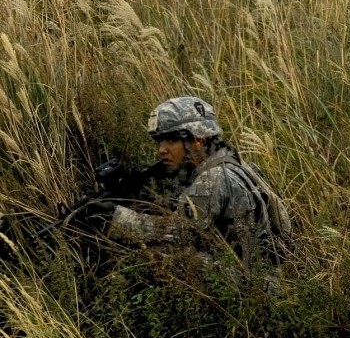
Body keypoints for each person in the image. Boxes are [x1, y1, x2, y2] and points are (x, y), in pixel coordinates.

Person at [103, 96, 290, 267]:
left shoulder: (212, 179)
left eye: (171, 140)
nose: (162, 150)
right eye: (160, 141)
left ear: (198, 140)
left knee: (154, 256)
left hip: (245, 287)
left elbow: (177, 234)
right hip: (265, 277)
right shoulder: (240, 165)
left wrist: (116, 217)